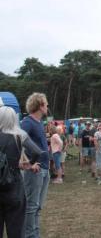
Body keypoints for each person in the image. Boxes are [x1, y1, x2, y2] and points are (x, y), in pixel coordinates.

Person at [0, 106, 43, 238]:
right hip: (14, 186)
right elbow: (37, 152)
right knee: (16, 230)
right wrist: (29, 163)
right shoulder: (19, 135)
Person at [20, 92, 50, 238]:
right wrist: (28, 163)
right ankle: (29, 235)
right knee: (31, 207)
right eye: (46, 104)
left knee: (38, 207)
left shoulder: (39, 123)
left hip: (45, 169)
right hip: (35, 170)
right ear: (40, 105)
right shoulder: (27, 122)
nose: (47, 106)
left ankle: (35, 235)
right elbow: (17, 141)